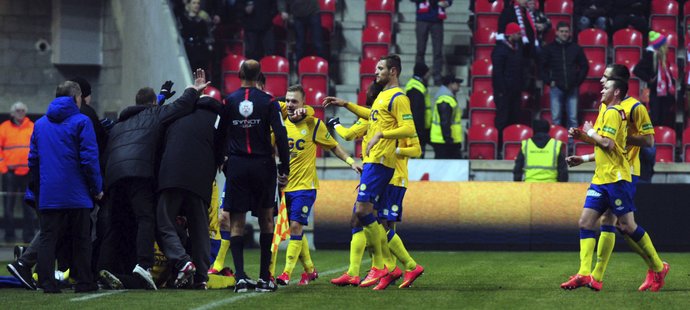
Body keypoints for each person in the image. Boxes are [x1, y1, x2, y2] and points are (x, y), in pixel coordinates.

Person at [101, 70, 209, 290]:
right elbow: (180, 107)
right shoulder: (154, 115)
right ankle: (144, 265)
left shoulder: (120, 124)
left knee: (117, 224)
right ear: (153, 104)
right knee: (146, 218)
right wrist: (194, 90)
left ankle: (106, 269)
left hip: (113, 176)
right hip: (139, 172)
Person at [562, 78, 668, 291]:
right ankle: (585, 274)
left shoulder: (613, 112)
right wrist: (584, 145)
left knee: (626, 226)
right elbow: (602, 144)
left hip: (617, 179)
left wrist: (590, 132)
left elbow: (608, 144)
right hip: (601, 178)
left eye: (606, 86)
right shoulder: (606, 110)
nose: (601, 88)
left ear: (617, 91)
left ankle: (658, 266)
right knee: (586, 222)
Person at [323, 54, 418, 288]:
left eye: (380, 68)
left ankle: (389, 266)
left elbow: (409, 128)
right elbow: (370, 116)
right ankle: (385, 268)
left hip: (384, 165)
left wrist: (382, 135)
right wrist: (345, 104)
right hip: (373, 163)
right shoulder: (383, 97)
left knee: (369, 215)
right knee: (363, 215)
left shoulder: (398, 97)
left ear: (393, 71)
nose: (375, 72)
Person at [275, 85, 362, 286]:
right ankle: (310, 271)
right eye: (287, 100)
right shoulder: (280, 120)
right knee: (295, 229)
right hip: (284, 186)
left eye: (294, 101)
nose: (289, 104)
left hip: (305, 186)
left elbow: (333, 146)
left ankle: (286, 273)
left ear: (303, 104)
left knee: (296, 226)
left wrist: (351, 162)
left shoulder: (314, 124)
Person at [222, 59, 290, 293]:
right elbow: (281, 135)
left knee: (237, 222)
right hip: (263, 165)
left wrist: (223, 160)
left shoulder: (229, 101)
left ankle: (240, 278)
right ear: (260, 74)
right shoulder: (270, 101)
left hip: (238, 165)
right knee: (266, 220)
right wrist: (285, 167)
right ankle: (264, 278)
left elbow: (219, 134)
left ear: (239, 73)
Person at [30, 81, 103, 293]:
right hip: (76, 192)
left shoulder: (40, 124)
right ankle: (84, 282)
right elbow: (89, 159)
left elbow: (33, 160)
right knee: (81, 238)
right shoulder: (82, 121)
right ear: (76, 98)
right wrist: (96, 187)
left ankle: (46, 282)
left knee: (48, 237)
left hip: (49, 193)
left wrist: (40, 187)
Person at [155, 94, 225, 290]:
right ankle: (201, 277)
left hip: (172, 174)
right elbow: (222, 152)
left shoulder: (178, 115)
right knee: (200, 228)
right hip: (200, 180)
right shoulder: (217, 119)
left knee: (164, 221)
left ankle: (182, 260)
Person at [540, 22, 589, 131]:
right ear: (557, 32)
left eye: (566, 31)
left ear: (570, 33)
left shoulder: (576, 48)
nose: (564, 34)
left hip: (573, 88)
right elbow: (541, 67)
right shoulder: (549, 49)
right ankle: (558, 145)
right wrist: (549, 81)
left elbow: (584, 66)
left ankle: (572, 146)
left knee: (573, 119)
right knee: (556, 119)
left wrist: (578, 81)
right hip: (556, 88)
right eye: (562, 31)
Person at [0, 102, 34, 243]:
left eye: (22, 110)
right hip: (10, 173)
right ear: (12, 113)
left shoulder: (32, 127)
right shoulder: (4, 128)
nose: (20, 112)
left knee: (29, 206)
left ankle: (28, 235)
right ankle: (9, 235)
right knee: (8, 206)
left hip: (28, 172)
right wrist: (3, 167)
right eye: (17, 110)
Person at [633, 31, 676, 128]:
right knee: (656, 118)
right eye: (665, 44)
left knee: (665, 118)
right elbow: (637, 70)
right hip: (655, 93)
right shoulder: (650, 56)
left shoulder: (663, 57)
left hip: (666, 94)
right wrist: (649, 79)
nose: (667, 46)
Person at [492, 22, 524, 142]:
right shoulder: (500, 50)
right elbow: (498, 72)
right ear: (511, 34)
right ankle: (500, 145)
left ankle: (511, 143)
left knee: (514, 118)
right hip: (504, 92)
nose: (520, 36)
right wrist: (503, 89)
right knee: (502, 119)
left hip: (515, 90)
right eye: (518, 33)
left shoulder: (516, 48)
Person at [411, 0, 452, 85]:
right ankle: (419, 75)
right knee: (420, 50)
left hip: (437, 20)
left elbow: (449, 1)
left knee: (437, 51)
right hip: (422, 19)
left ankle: (437, 76)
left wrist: (447, 3)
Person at [430, 74, 463, 159]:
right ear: (450, 84)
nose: (459, 85)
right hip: (444, 142)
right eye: (457, 83)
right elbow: (445, 121)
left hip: (444, 141)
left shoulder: (447, 99)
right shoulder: (445, 100)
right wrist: (448, 139)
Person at [405, 63, 431, 158]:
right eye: (428, 74)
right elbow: (416, 113)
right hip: (417, 130)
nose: (429, 76)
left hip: (420, 128)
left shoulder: (418, 86)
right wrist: (419, 132)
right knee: (417, 158)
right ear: (423, 74)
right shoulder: (415, 88)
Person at [179, 0, 214, 72]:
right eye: (194, 3)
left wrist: (208, 45)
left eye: (198, 3)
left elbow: (208, 36)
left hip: (200, 50)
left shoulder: (202, 21)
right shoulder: (182, 18)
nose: (196, 5)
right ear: (189, 4)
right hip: (188, 49)